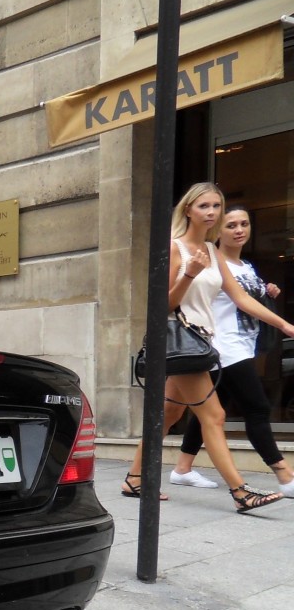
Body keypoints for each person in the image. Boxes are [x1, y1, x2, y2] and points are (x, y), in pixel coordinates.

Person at [121, 183, 286, 513]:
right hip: (182, 344)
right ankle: (240, 492)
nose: (211, 213)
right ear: (188, 210)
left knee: (169, 413)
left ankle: (134, 479)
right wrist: (188, 275)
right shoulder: (174, 248)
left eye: (216, 206)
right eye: (203, 206)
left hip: (200, 343)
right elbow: (161, 305)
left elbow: (241, 299)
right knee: (215, 415)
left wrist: (285, 325)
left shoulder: (213, 252)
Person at [170, 205, 294, 496]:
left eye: (244, 224)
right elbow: (220, 300)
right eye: (231, 225)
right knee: (257, 408)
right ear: (218, 231)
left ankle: (181, 469)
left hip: (241, 345)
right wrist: (285, 325)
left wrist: (267, 291)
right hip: (221, 347)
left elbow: (245, 298)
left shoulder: (246, 267)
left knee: (199, 413)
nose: (239, 230)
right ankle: (284, 475)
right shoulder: (210, 259)